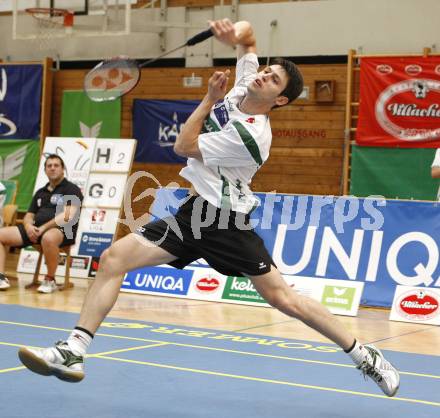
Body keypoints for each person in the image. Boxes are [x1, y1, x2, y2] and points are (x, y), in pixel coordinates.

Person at [17, 19, 400, 397]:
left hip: (225, 222)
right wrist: (235, 31)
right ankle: (73, 351)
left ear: (279, 100)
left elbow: (183, 147)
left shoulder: (251, 134)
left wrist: (208, 100)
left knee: (284, 299)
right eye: (266, 71)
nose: (264, 76)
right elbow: (249, 40)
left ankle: (364, 354)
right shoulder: (245, 86)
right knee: (115, 257)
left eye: (274, 80)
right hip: (193, 213)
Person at [0, 154, 83, 293]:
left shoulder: (71, 189)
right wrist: (28, 227)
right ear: (45, 170)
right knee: (1, 234)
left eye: (56, 165)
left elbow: (67, 216)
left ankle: (50, 279)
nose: (52, 168)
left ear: (63, 169)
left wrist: (43, 227)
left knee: (48, 238)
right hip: (35, 230)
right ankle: (1, 277)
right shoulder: (40, 192)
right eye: (49, 166)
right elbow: (29, 216)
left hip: (61, 231)